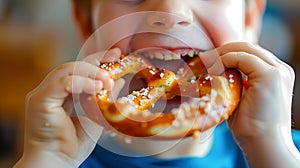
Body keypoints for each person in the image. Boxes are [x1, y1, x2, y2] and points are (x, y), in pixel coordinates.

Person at [14, 0, 300, 167]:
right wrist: (50, 158)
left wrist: (269, 146)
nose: (170, 11)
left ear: (249, 18)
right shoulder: (61, 151)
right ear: (86, 23)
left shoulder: (283, 151)